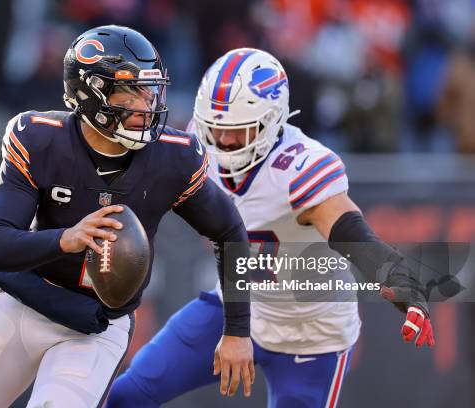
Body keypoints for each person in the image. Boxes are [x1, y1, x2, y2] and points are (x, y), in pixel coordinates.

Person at [0, 26, 254, 408]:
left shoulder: (175, 157)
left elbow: (231, 231)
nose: (146, 103)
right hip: (23, 302)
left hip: (96, 325)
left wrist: (237, 331)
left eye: (150, 89)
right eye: (130, 89)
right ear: (89, 93)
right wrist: (64, 238)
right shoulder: (40, 138)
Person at [107, 48, 435, 408]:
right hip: (235, 306)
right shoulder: (200, 145)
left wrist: (395, 275)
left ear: (271, 120)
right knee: (127, 395)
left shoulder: (300, 166)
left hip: (312, 337)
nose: (225, 143)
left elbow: (349, 231)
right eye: (217, 129)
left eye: (239, 131)